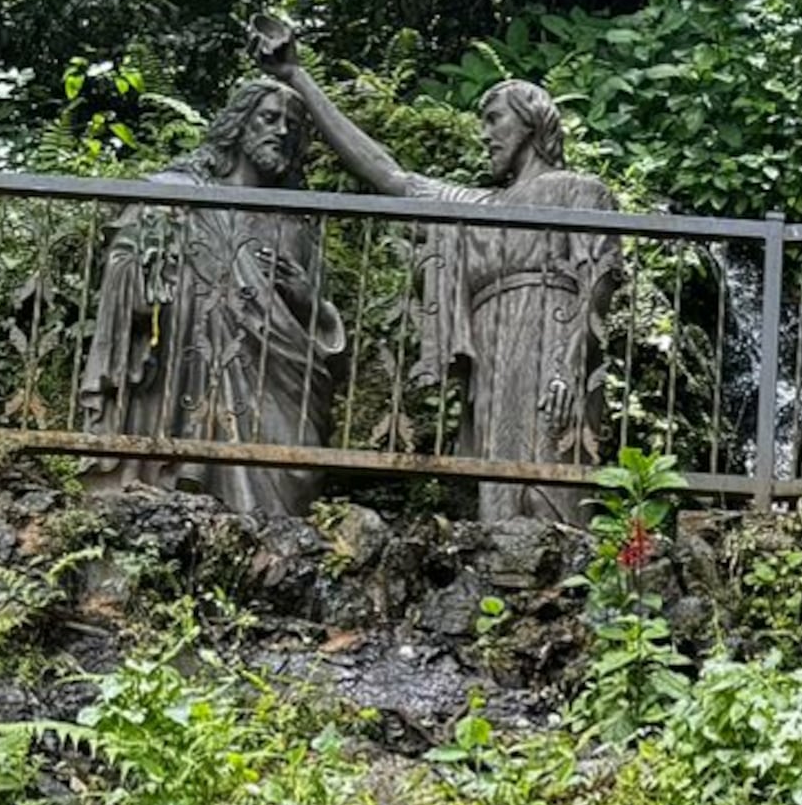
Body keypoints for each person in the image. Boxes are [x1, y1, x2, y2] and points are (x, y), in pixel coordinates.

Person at [253, 27, 622, 527]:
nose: (485, 135)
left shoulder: (579, 191)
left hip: (549, 347)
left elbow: (597, 279)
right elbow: (390, 176)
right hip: (494, 360)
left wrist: (569, 364)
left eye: (495, 121)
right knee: (499, 496)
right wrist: (297, 76)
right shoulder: (479, 206)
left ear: (532, 122)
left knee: (552, 485)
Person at [77, 75, 346, 522]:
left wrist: (308, 301)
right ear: (240, 124)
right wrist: (153, 273)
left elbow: (327, 338)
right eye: (270, 118)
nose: (281, 130)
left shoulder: (299, 227)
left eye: (293, 125)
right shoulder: (176, 195)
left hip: (279, 378)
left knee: (285, 481)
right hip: (189, 362)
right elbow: (124, 260)